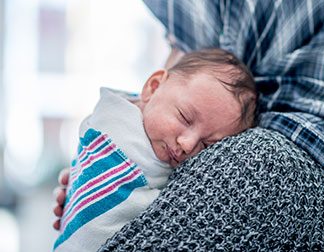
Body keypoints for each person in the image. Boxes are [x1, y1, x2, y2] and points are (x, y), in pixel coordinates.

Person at [54, 0, 324, 251]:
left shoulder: (256, 163)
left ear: (240, 35)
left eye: (180, 41)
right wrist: (103, 182)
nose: (169, 56)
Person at [53, 48, 257, 251]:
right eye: (184, 117)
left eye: (206, 146)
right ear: (153, 86)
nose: (187, 144)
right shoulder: (112, 118)